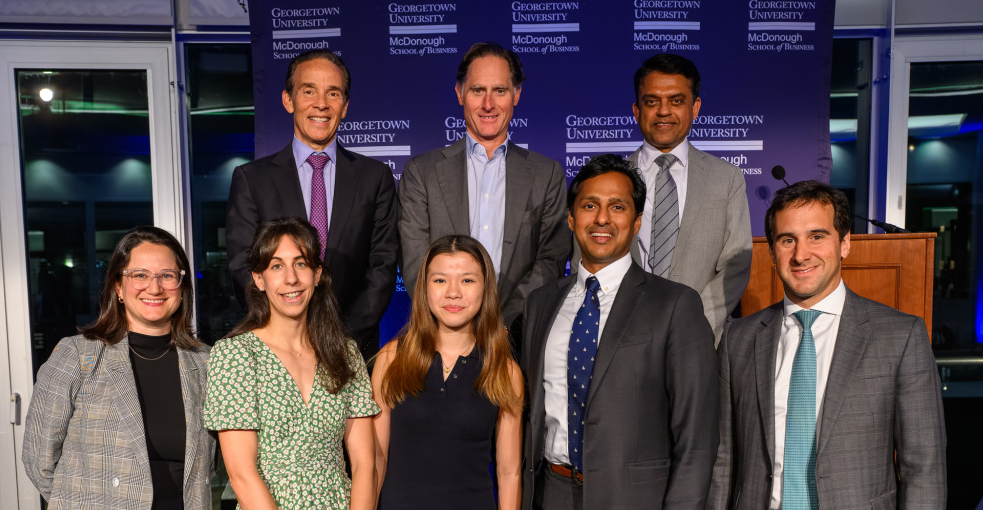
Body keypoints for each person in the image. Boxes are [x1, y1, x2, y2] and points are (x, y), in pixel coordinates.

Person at [708, 181, 947, 510]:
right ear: (772, 251)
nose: (801, 254)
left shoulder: (899, 336)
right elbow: (723, 463)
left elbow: (924, 468)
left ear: (845, 242)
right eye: (787, 240)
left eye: (816, 236)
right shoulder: (739, 338)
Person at [521, 154, 718, 510]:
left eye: (617, 207)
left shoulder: (675, 305)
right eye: (589, 205)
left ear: (637, 220)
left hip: (637, 500)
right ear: (570, 217)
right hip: (551, 493)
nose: (601, 219)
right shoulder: (540, 304)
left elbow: (697, 438)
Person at [22, 226, 214, 510]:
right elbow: (39, 458)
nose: (155, 287)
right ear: (118, 286)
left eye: (167, 276)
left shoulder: (207, 362)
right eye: (140, 275)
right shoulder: (77, 355)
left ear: (182, 287)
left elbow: (212, 467)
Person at [226, 49, 398, 362]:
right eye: (309, 91)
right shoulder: (252, 179)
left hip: (353, 350)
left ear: (344, 106)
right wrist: (285, 339)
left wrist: (342, 342)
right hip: (276, 353)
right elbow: (243, 266)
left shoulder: (375, 177)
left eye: (333, 93)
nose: (321, 103)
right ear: (288, 100)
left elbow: (382, 268)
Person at [204, 217, 378, 510]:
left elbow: (364, 463)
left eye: (300, 264)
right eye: (276, 266)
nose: (291, 279)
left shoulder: (345, 354)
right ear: (259, 279)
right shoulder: (235, 356)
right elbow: (241, 473)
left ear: (317, 274)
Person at [397, 41, 569, 336]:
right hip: (440, 336)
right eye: (478, 90)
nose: (488, 104)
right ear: (460, 94)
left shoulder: (546, 174)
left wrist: (502, 324)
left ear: (516, 95)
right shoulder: (421, 172)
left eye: (499, 91)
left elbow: (550, 261)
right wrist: (453, 320)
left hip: (515, 335)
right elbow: (415, 263)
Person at [372, 235, 524, 510]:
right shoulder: (392, 358)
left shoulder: (504, 370)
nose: (453, 292)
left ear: (485, 288)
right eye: (440, 280)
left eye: (467, 280)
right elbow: (376, 459)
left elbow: (509, 472)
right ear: (425, 287)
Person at [629, 53, 752, 344]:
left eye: (676, 100)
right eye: (651, 101)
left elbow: (735, 268)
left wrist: (689, 326)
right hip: (624, 343)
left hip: (700, 341)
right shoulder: (609, 180)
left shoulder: (727, 179)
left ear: (695, 107)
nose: (663, 111)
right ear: (636, 110)